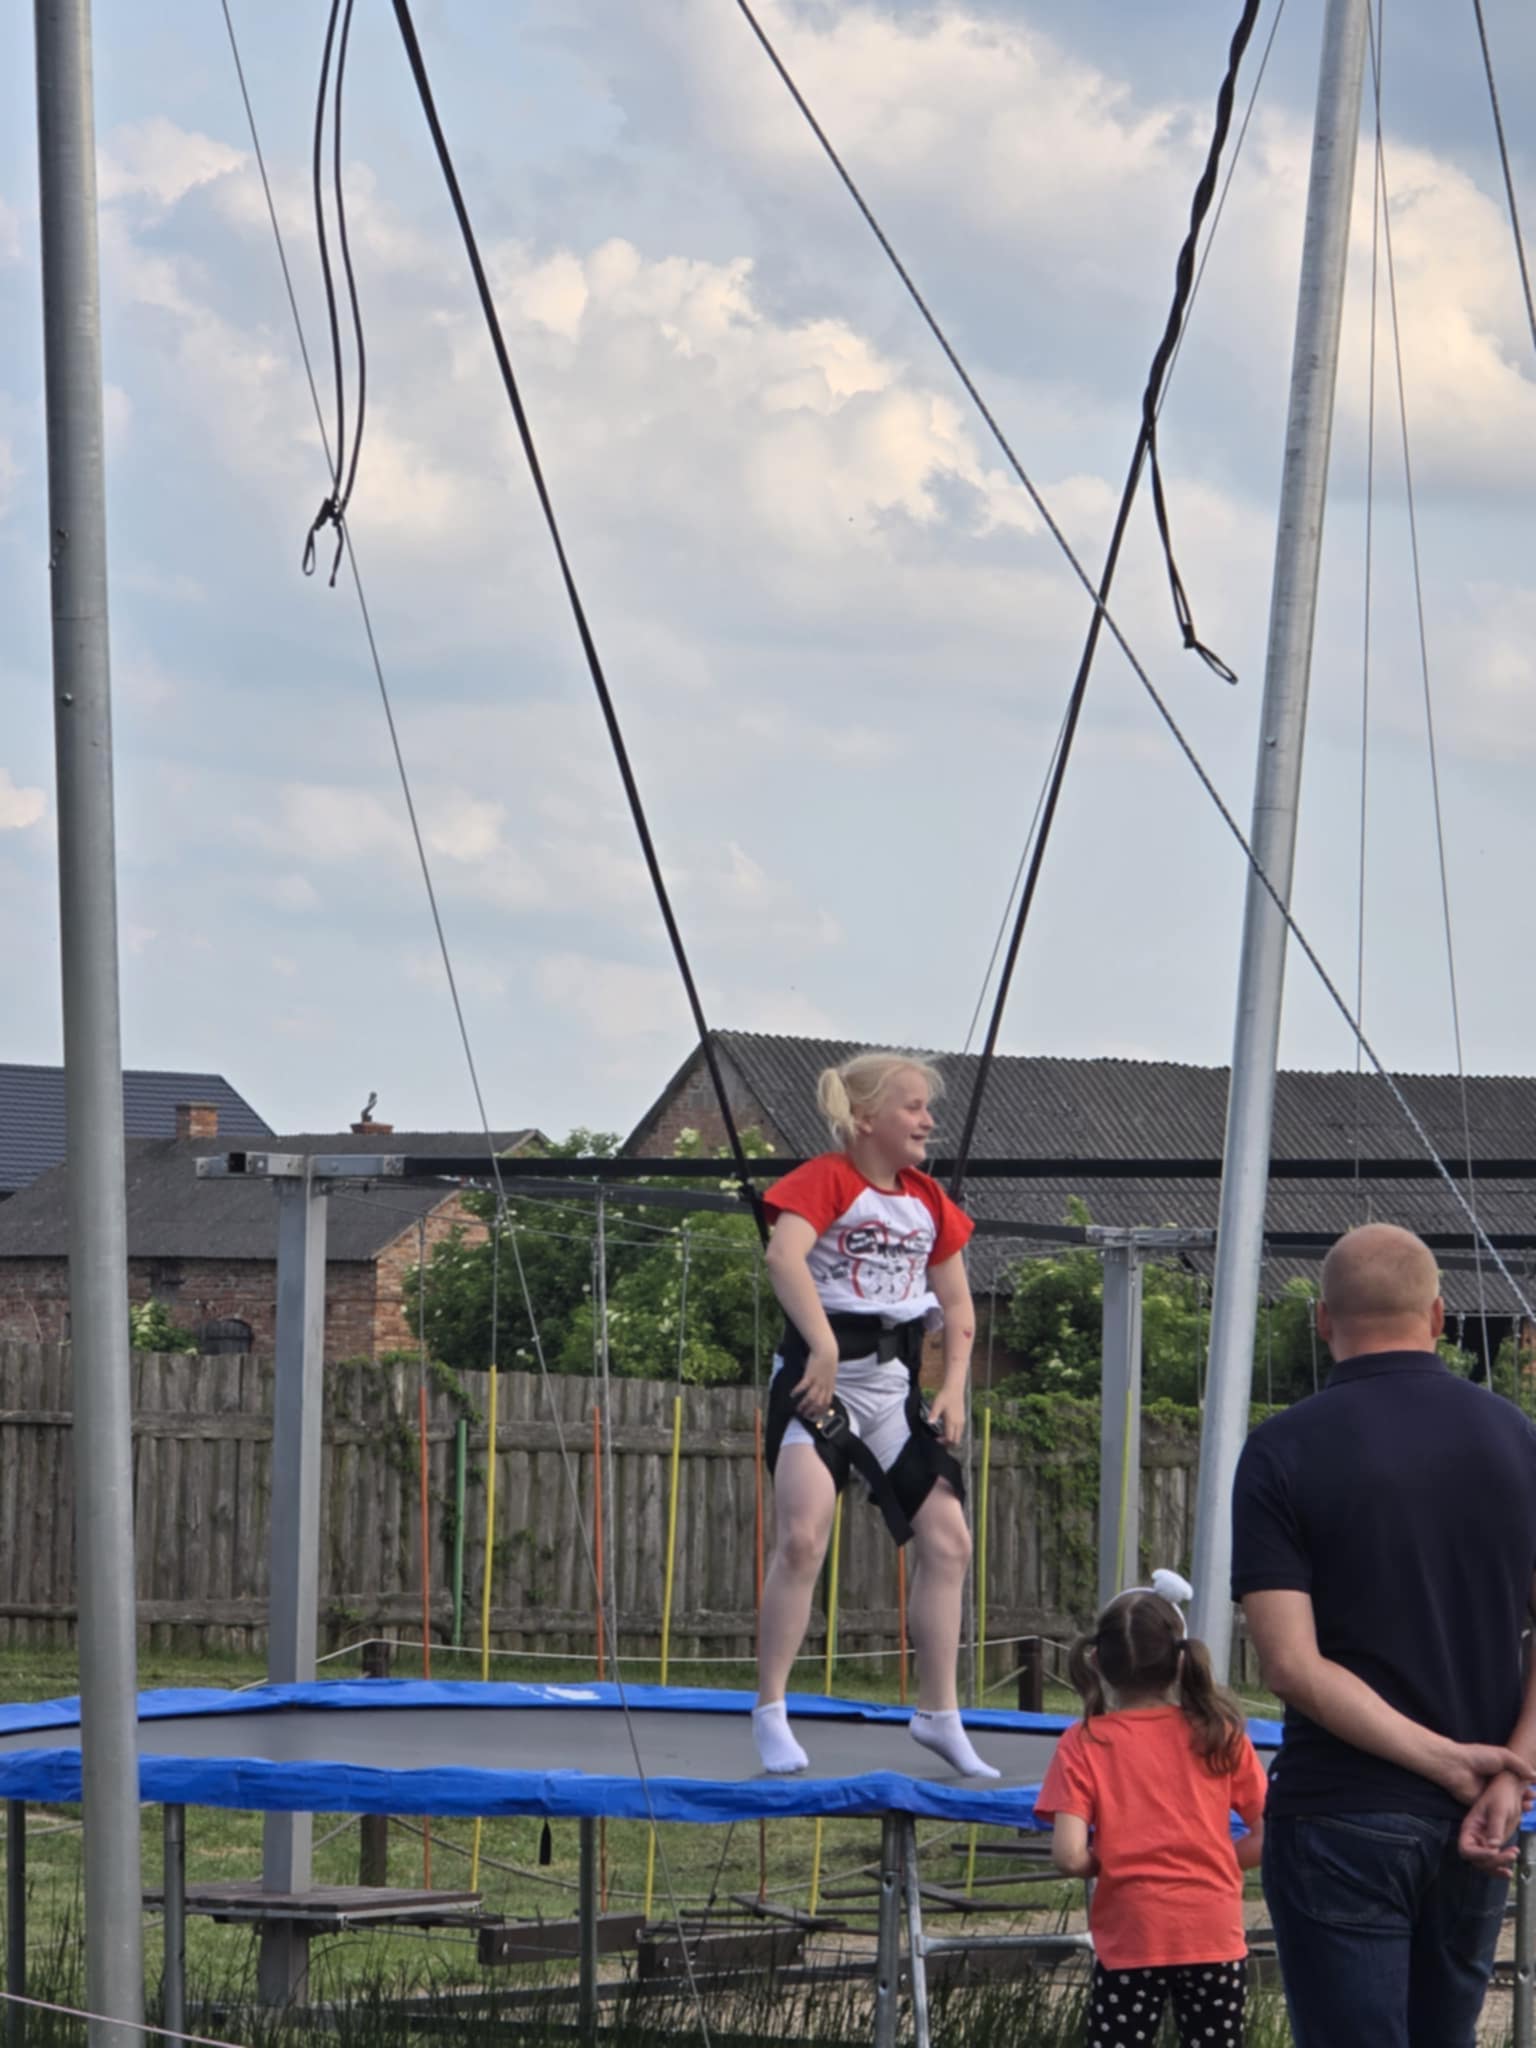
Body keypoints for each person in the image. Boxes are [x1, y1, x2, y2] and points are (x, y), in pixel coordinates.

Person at [1232, 1221, 1536, 2047]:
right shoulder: (1516, 1436)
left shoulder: (1280, 1449)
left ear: (1322, 1321)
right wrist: (1510, 1773)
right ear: (1438, 1316)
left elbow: (1290, 1665)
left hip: (1342, 1809)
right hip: (1480, 1817)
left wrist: (1447, 1762)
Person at [751, 1050, 995, 1778]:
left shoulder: (927, 1200)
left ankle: (938, 1714)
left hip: (890, 1389)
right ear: (864, 1119)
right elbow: (783, 1259)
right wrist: (824, 1346)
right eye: (912, 1107)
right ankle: (770, 1708)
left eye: (927, 1107)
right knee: (802, 1538)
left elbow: (957, 1304)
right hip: (817, 1385)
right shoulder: (826, 1180)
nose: (927, 1120)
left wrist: (953, 1387)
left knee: (949, 1541)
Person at [1036, 1570, 1267, 2046]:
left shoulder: (1085, 1741)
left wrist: (1113, 1858)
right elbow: (1271, 1834)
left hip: (1132, 1935)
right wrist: (1218, 1857)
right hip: (1212, 1932)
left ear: (1097, 1661)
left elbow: (1069, 1856)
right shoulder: (1220, 1732)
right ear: (1181, 1662)